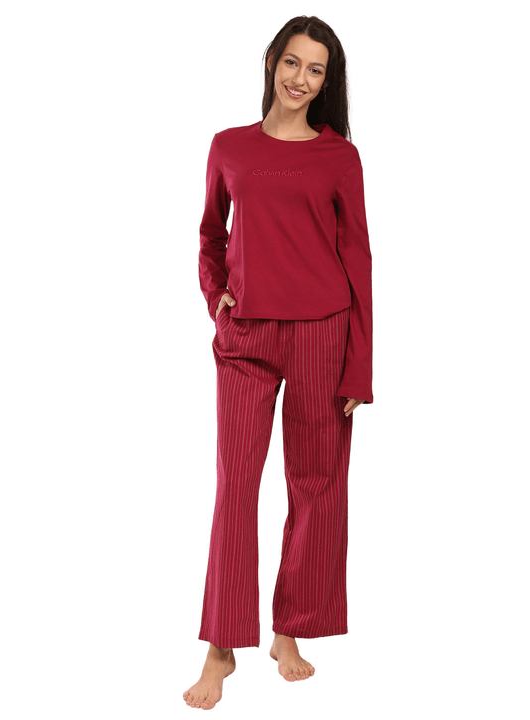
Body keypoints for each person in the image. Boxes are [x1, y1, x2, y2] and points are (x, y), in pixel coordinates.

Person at [184, 15, 373, 710]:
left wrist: (360, 367)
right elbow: (210, 236)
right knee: (236, 484)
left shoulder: (339, 157)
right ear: (272, 62)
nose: (300, 79)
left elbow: (358, 259)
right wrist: (218, 299)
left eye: (315, 70)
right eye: (292, 62)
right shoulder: (228, 146)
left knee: (316, 484)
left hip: (324, 331)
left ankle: (288, 631)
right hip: (247, 337)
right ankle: (221, 647)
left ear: (326, 82)